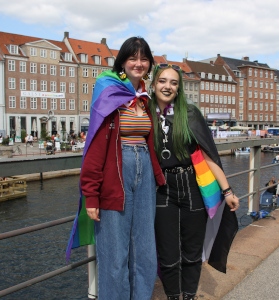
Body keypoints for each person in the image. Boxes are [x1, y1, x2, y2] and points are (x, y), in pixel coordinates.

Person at [66, 37, 165, 299]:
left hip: (143, 176)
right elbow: (95, 145)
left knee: (144, 250)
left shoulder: (145, 97)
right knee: (115, 254)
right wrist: (91, 195)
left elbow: (151, 140)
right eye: (133, 58)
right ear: (122, 61)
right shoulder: (109, 89)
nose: (138, 63)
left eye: (144, 59)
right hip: (114, 176)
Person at [148, 64, 240, 300]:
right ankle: (172, 296)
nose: (167, 86)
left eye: (173, 82)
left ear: (179, 88)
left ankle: (188, 296)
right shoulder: (144, 113)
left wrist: (227, 190)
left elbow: (208, 154)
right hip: (162, 190)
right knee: (167, 255)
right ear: (154, 84)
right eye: (162, 81)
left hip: (192, 186)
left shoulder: (189, 113)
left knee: (192, 253)